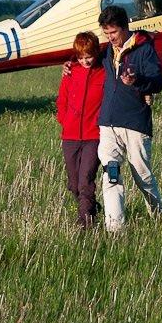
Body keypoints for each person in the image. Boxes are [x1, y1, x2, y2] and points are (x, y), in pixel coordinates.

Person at [96, 5, 162, 232]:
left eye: (113, 33)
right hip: (108, 121)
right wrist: (71, 64)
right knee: (111, 174)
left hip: (135, 123)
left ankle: (158, 218)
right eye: (106, 34)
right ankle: (115, 228)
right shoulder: (106, 50)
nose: (110, 38)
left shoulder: (144, 49)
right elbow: (86, 59)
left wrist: (137, 81)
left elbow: (158, 81)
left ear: (125, 28)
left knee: (142, 175)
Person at [55, 31, 106, 228]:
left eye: (89, 56)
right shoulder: (70, 72)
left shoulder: (105, 72)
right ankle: (92, 208)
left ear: (96, 52)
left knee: (86, 181)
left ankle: (85, 223)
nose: (85, 61)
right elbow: (62, 101)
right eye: (81, 57)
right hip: (70, 136)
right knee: (74, 184)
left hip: (94, 136)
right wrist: (65, 121)